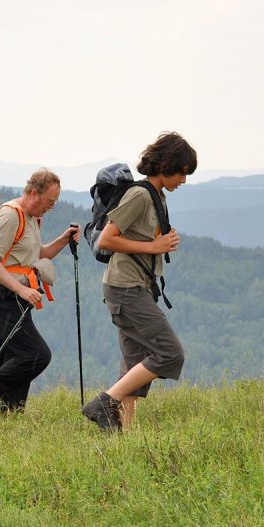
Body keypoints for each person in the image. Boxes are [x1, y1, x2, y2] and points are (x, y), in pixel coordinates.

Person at [82, 133, 196, 432]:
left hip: (134, 286)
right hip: (125, 288)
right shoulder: (140, 195)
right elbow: (107, 239)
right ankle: (104, 402)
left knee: (134, 364)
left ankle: (123, 437)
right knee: (170, 353)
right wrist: (153, 247)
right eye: (182, 171)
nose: (183, 179)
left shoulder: (156, 196)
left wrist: (156, 244)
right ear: (167, 164)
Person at [0, 169, 78, 412]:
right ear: (33, 193)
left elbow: (37, 254)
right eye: (50, 202)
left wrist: (63, 240)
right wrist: (22, 290)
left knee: (13, 358)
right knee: (36, 355)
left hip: (15, 297)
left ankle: (11, 414)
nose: (51, 207)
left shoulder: (32, 218)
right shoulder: (10, 216)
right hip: (1, 296)